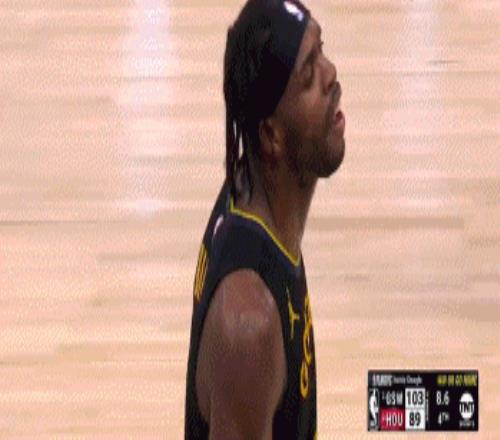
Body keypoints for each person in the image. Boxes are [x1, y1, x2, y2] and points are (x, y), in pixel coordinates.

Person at [184, 0, 345, 438]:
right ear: (272, 135)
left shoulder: (252, 193)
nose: (332, 75)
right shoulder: (249, 328)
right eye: (309, 76)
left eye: (322, 51)